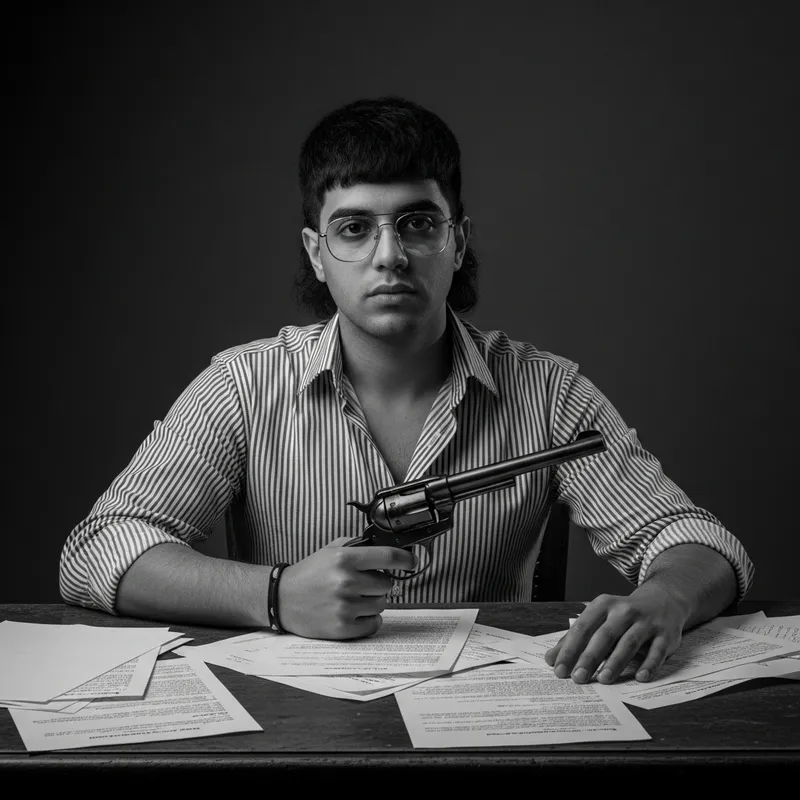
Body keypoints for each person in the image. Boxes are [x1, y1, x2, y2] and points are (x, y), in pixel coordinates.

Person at [59, 96, 753, 687]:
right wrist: (274, 596)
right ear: (315, 254)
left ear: (457, 240)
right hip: (298, 718)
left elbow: (694, 540)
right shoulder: (242, 385)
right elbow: (97, 550)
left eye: (418, 223)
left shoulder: (547, 391)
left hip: (490, 715)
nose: (389, 254)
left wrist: (667, 596)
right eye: (355, 228)